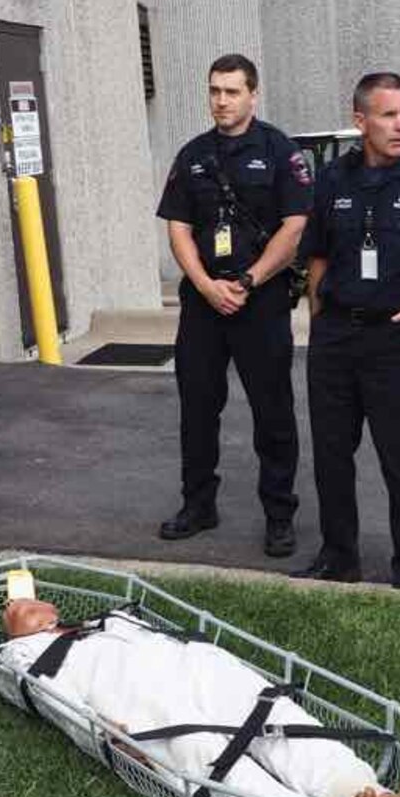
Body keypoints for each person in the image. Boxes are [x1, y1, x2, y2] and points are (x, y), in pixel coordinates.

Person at [0, 598, 400, 797]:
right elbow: (53, 703)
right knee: (214, 769)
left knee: (281, 720)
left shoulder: (113, 619)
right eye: (13, 608)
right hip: (152, 711)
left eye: (25, 600)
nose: (17, 603)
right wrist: (104, 735)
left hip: (207, 675)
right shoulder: (23, 658)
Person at [294, 72, 400, 590]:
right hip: (336, 339)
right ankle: (339, 557)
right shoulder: (331, 180)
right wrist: (318, 324)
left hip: (396, 337)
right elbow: (317, 258)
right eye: (389, 115)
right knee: (331, 456)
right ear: (360, 120)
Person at [155, 53, 311, 556]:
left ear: (252, 94)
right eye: (215, 91)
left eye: (232, 91)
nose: (221, 101)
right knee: (197, 408)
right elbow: (178, 228)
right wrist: (204, 284)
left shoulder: (279, 150)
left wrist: (248, 279)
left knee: (273, 412)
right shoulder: (193, 154)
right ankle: (198, 505)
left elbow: (295, 226)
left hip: (260, 301)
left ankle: (279, 515)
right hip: (204, 303)